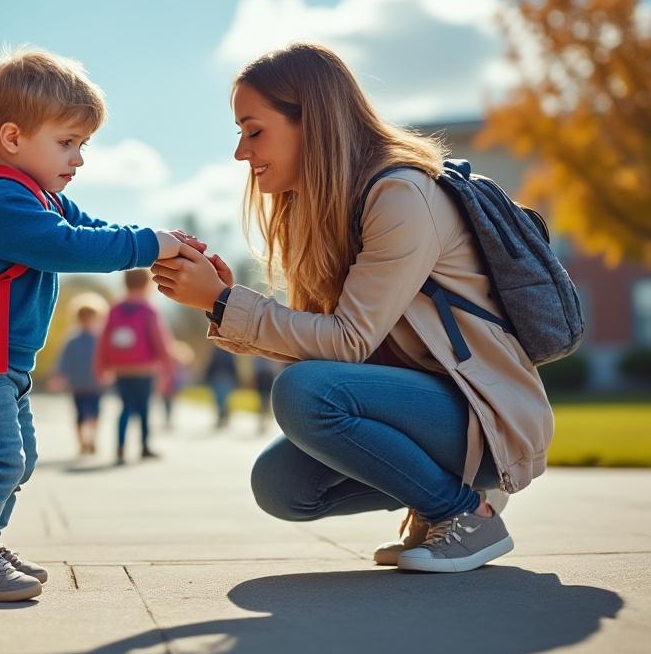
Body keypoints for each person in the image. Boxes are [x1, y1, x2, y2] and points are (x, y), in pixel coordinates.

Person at [151, 42, 543, 574]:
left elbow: (346, 343)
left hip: (484, 414)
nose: (241, 152)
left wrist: (222, 301)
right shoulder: (323, 210)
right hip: (425, 409)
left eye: (253, 130)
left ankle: (464, 514)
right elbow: (325, 347)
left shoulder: (402, 194)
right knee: (282, 486)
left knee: (304, 392)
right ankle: (446, 499)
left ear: (312, 122)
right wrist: (221, 303)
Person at [0, 47, 185, 601]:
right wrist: (149, 245)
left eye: (82, 144)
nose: (79, 159)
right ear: (12, 137)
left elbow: (96, 229)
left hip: (1, 364)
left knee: (19, 462)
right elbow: (68, 246)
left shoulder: (41, 197)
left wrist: (164, 243)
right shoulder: (1, 199)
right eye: (67, 143)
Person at [95, 268, 174, 464]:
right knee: (144, 408)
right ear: (147, 284)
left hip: (121, 369)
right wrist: (167, 367)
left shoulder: (115, 309)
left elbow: (103, 341)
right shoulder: (148, 310)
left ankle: (120, 447)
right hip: (144, 369)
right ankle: (144, 446)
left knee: (125, 407)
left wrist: (101, 367)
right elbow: (159, 340)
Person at [55, 293, 109, 455]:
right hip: (77, 384)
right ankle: (81, 442)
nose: (87, 320)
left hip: (96, 384)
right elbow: (64, 360)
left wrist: (108, 372)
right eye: (83, 317)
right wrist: (60, 376)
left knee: (95, 414)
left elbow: (107, 358)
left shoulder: (101, 339)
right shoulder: (72, 340)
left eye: (90, 317)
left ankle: (91, 439)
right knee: (80, 415)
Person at [157, 340, 195, 430]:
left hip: (170, 383)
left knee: (167, 402)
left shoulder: (172, 359)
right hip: (169, 383)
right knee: (168, 402)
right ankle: (168, 418)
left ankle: (168, 418)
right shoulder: (175, 359)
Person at [203, 345, 239, 430]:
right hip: (225, 379)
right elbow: (233, 366)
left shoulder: (216, 353)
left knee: (220, 400)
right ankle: (224, 417)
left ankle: (222, 418)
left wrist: (207, 377)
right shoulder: (229, 352)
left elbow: (211, 365)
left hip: (220, 379)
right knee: (224, 400)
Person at [251, 355, 283, 434]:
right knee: (263, 398)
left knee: (264, 398)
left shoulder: (263, 354)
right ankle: (264, 417)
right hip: (262, 375)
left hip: (266, 375)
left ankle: (264, 417)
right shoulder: (260, 355)